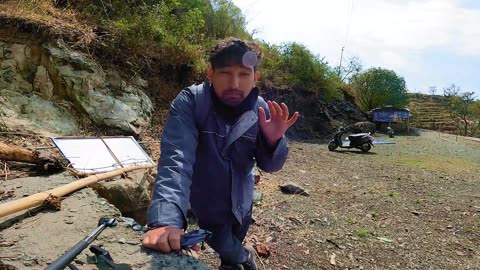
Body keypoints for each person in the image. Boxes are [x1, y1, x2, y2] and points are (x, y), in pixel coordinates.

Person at [142, 37, 299, 270]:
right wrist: (166, 221)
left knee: (232, 248)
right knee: (225, 244)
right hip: (206, 204)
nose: (235, 83)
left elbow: (271, 165)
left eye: (244, 74)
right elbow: (176, 160)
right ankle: (244, 258)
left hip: (242, 203)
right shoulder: (191, 103)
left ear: (255, 78)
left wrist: (273, 141)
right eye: (225, 73)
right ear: (210, 73)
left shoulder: (263, 110)